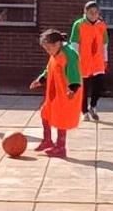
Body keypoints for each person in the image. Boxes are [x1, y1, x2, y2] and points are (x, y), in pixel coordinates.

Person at [29, 29, 83, 158]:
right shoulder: (55, 53)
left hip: (66, 92)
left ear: (57, 43)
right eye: (46, 48)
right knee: (45, 112)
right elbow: (49, 68)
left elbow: (74, 72)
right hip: (55, 91)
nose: (48, 51)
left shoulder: (69, 54)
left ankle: (60, 147)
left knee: (61, 119)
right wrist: (41, 79)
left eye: (48, 48)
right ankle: (47, 140)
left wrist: (73, 88)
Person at [70, 0, 109, 122]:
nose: (93, 15)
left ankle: (92, 106)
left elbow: (104, 44)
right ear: (85, 12)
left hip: (98, 60)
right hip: (83, 60)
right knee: (84, 88)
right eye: (91, 12)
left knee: (99, 86)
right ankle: (84, 111)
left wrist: (105, 59)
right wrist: (74, 60)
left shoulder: (101, 25)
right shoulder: (79, 24)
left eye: (96, 12)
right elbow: (74, 44)